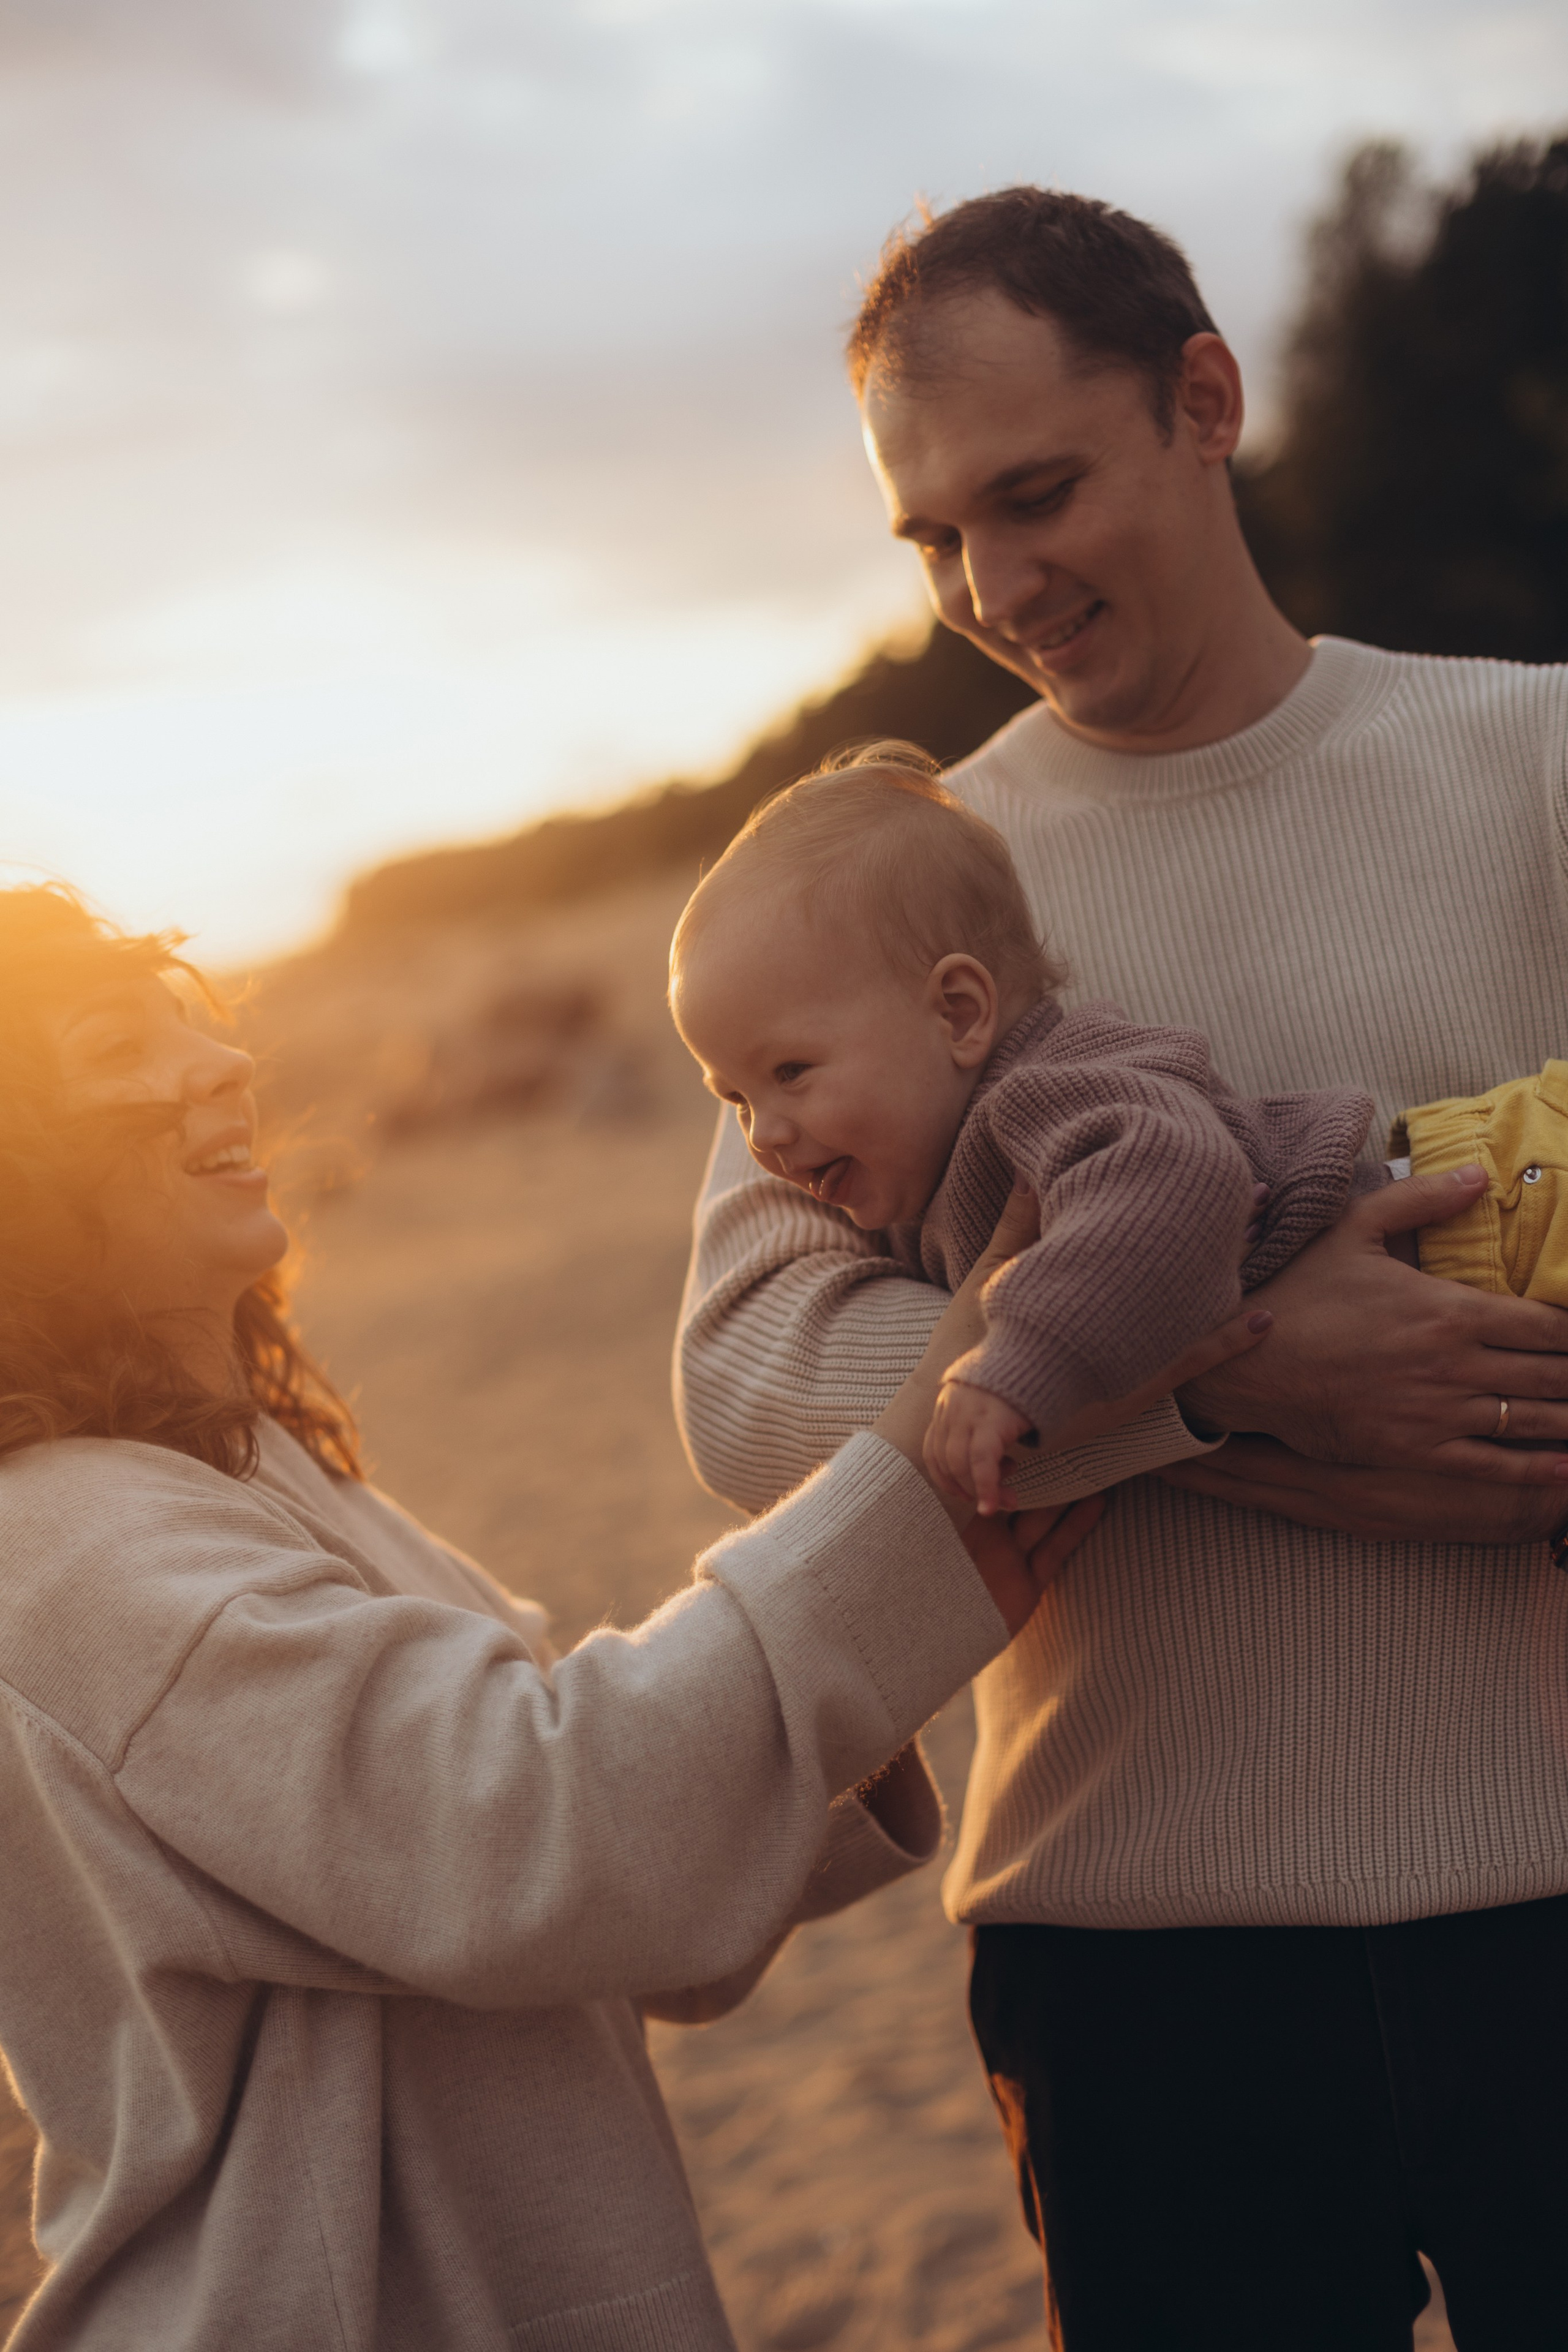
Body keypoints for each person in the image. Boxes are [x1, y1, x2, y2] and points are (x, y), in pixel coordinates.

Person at [674, 186, 1568, 2351]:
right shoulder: (907, 877)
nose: (993, 588)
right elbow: (755, 1376)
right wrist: (1224, 1382)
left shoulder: (1531, 753)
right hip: (1138, 1971)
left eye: (1037, 493)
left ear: (1206, 400)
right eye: (932, 537)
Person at [0, 881, 1261, 2352]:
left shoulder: (243, 1467)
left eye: (193, 1028)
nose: (222, 1065)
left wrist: (871, 1646)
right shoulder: (67, 1550)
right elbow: (537, 1826)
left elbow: (627, 1914)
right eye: (119, 1052)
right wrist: (908, 1486)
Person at [669, 749, 1381, 1515]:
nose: (763, 1135)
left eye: (791, 1071)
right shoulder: (915, 1169)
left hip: (1438, 1247)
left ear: (958, 1014)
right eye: (735, 1099)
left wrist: (1016, 1361)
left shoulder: (1049, 1092)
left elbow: (1179, 1185)